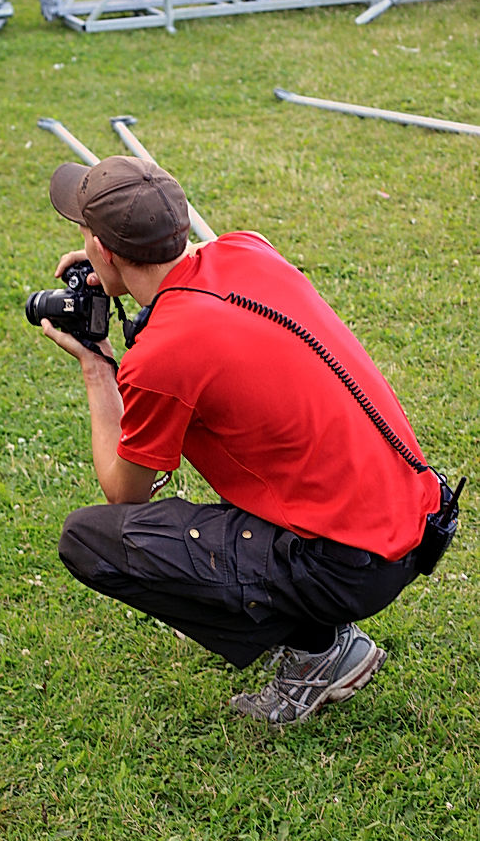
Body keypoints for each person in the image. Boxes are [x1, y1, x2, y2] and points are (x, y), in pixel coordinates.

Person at [37, 154, 453, 726]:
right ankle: (318, 631)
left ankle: (318, 652)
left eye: (86, 234)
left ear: (105, 249)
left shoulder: (163, 356)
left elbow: (125, 495)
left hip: (350, 567)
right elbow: (187, 290)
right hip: (412, 523)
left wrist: (95, 366)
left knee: (91, 539)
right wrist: (114, 270)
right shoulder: (248, 249)